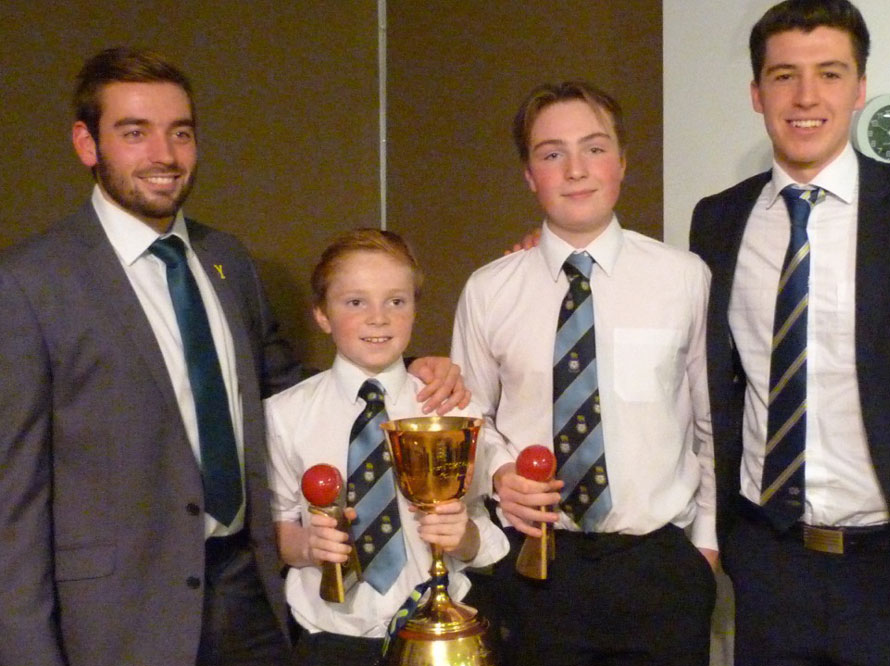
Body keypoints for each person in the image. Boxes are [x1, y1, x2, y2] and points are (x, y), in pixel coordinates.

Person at [0, 47, 466, 666]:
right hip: (119, 619)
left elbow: (296, 397)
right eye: (134, 133)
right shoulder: (33, 282)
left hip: (253, 600)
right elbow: (15, 497)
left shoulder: (228, 262)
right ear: (87, 144)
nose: (163, 155)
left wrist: (411, 375)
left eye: (180, 133)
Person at [688, 1, 890, 664]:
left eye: (829, 74)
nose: (806, 97)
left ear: (859, 89)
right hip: (768, 567)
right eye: (783, 76)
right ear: (756, 92)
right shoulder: (716, 222)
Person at [452, 80, 717, 666]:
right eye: (551, 153)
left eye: (594, 148)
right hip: (533, 565)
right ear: (529, 174)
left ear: (622, 161)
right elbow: (469, 414)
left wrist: (706, 545)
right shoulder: (489, 290)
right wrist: (498, 474)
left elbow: (711, 423)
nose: (575, 169)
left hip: (659, 569)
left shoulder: (684, 279)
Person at [265, 229, 508, 665]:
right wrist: (307, 547)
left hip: (439, 640)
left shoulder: (450, 411)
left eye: (396, 301)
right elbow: (276, 528)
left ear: (414, 309)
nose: (379, 318)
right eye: (355, 302)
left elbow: (482, 531)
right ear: (322, 314)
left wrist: (463, 537)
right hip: (331, 641)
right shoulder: (284, 415)